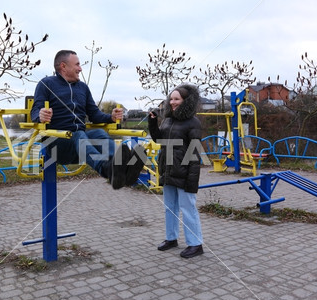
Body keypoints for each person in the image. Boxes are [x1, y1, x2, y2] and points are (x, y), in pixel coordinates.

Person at [31, 49, 144, 189]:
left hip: (79, 141)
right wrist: (40, 115)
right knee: (79, 135)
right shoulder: (46, 84)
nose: (80, 68)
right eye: (77, 64)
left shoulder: (83, 88)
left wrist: (111, 117)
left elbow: (95, 115)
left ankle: (123, 170)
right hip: (57, 144)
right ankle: (106, 169)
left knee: (99, 134)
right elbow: (35, 111)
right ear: (63, 66)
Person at [148, 84, 204, 259]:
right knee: (169, 208)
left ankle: (195, 244)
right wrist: (152, 122)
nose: (172, 102)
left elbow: (194, 153)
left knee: (188, 209)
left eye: (177, 99)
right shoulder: (168, 120)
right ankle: (171, 238)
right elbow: (159, 140)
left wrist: (191, 180)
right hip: (168, 170)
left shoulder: (193, 122)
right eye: (171, 99)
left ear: (186, 101)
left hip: (185, 172)